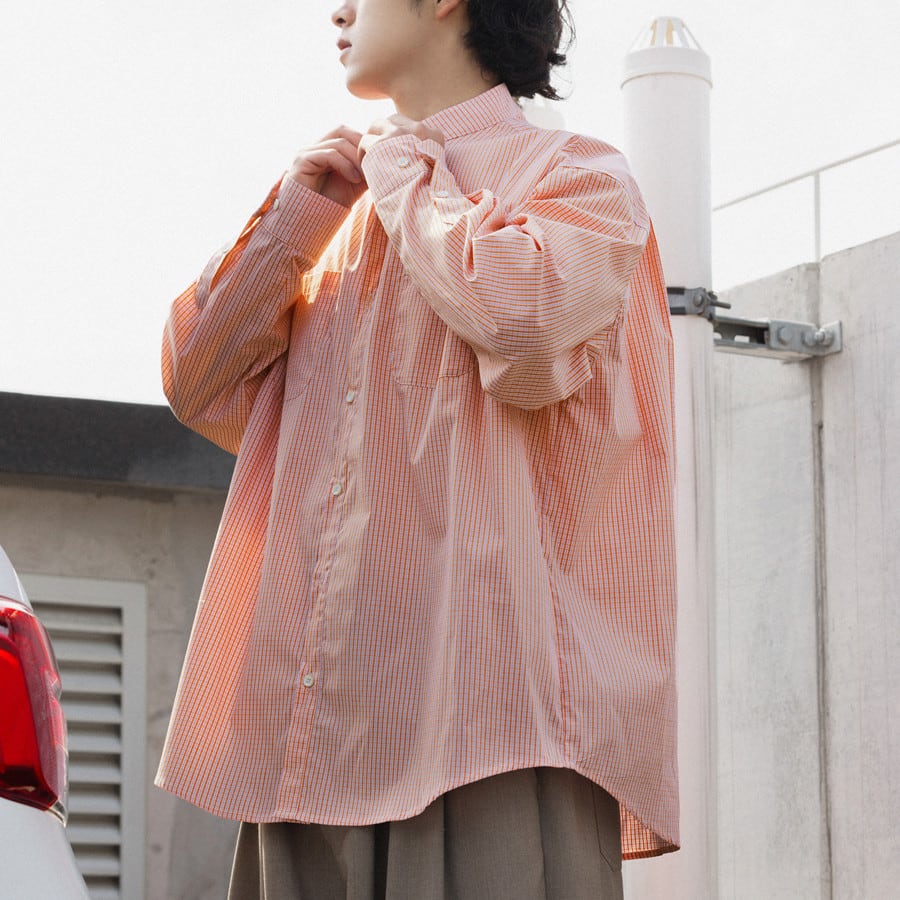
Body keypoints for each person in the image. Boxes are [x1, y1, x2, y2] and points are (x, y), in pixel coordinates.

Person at [156, 1, 679, 897]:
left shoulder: (578, 177)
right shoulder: (331, 214)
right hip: (307, 739)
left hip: (494, 733)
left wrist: (402, 173)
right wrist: (296, 214)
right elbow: (197, 379)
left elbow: (523, 324)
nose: (337, 9)